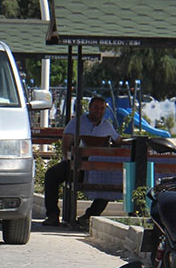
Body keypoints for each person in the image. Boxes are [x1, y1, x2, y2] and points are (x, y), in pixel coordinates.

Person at [42, 96, 120, 228]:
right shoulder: (77, 122)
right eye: (96, 107)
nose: (98, 111)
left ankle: (88, 217)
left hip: (97, 168)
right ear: (89, 108)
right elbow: (66, 145)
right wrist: (70, 162)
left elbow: (119, 141)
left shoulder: (107, 125)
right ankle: (53, 215)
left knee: (109, 181)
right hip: (76, 164)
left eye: (102, 108)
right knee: (51, 174)